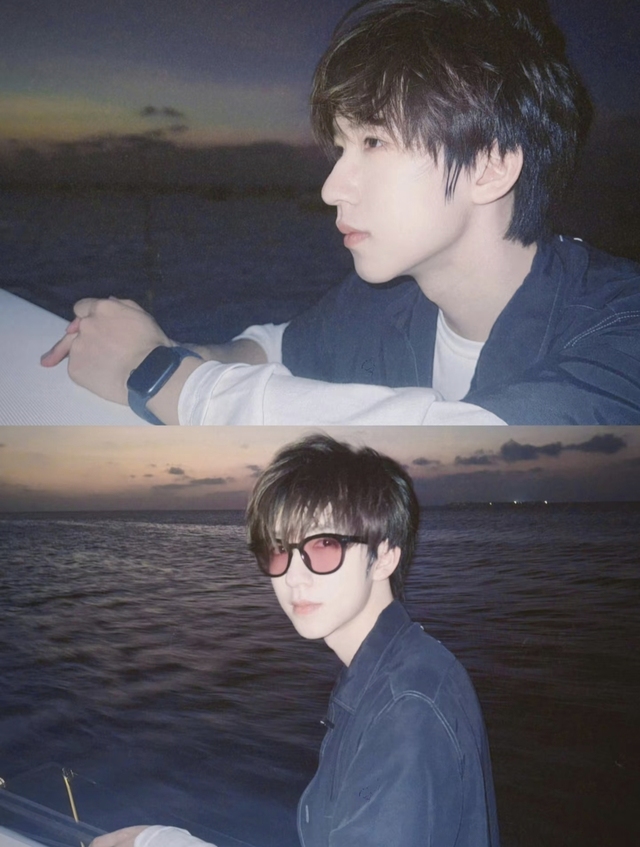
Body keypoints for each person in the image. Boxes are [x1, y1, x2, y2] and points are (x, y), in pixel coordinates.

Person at [41, 0, 640, 425]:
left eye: (373, 142)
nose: (331, 188)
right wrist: (155, 348)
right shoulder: (384, 303)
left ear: (489, 167)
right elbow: (275, 349)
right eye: (340, 147)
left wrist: (158, 378)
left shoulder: (623, 325)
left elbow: (473, 444)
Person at [91, 433, 500, 847]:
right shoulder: (398, 668)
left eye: (324, 546)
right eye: (278, 550)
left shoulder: (406, 712)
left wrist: (162, 842)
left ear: (384, 557)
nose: (293, 577)